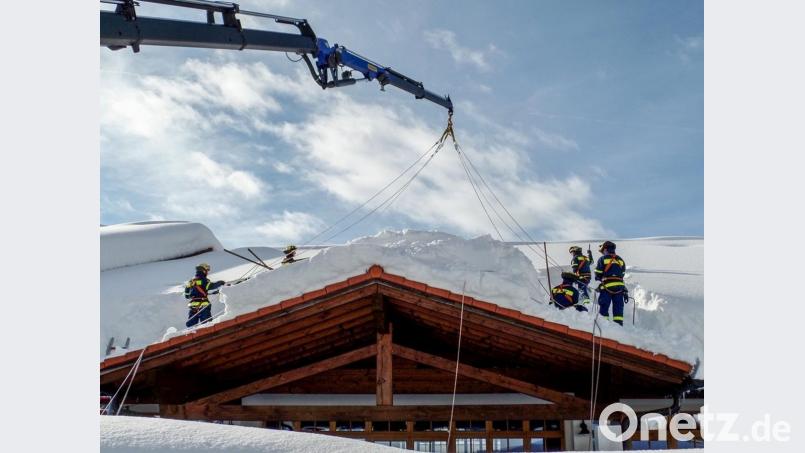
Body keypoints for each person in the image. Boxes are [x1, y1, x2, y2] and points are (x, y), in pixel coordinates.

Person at [594, 241, 627, 325]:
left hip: (607, 287)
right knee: (618, 308)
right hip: (620, 288)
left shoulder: (603, 259)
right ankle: (618, 325)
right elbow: (622, 274)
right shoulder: (621, 260)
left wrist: (599, 278)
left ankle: (604, 325)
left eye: (602, 252)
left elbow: (598, 273)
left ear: (605, 249)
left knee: (604, 306)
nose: (602, 253)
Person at [183, 262, 225, 327]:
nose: (207, 272)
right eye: (207, 271)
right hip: (203, 305)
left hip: (193, 306)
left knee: (191, 326)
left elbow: (187, 295)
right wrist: (220, 283)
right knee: (207, 325)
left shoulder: (191, 282)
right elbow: (210, 286)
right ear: (203, 270)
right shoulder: (204, 280)